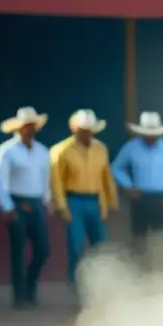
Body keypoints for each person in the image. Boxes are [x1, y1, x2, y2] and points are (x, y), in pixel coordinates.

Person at [0, 107, 52, 309]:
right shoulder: (6, 151)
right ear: (19, 128)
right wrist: (8, 207)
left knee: (43, 249)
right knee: (19, 251)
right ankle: (20, 296)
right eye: (27, 126)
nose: (30, 129)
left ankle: (29, 286)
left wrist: (47, 201)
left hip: (35, 202)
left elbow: (46, 180)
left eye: (32, 126)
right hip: (16, 202)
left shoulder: (42, 151)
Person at [49, 109, 118, 287]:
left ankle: (99, 284)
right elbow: (57, 182)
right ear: (76, 130)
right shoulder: (61, 150)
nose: (88, 134)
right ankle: (76, 285)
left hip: (95, 200)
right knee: (75, 247)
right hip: (74, 201)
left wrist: (111, 202)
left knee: (99, 246)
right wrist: (62, 206)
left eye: (90, 130)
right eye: (84, 130)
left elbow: (106, 177)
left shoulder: (101, 149)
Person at [111, 111, 163, 265]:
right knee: (139, 237)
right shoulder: (131, 147)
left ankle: (162, 271)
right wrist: (128, 187)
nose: (151, 136)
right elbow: (116, 168)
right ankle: (141, 270)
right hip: (141, 197)